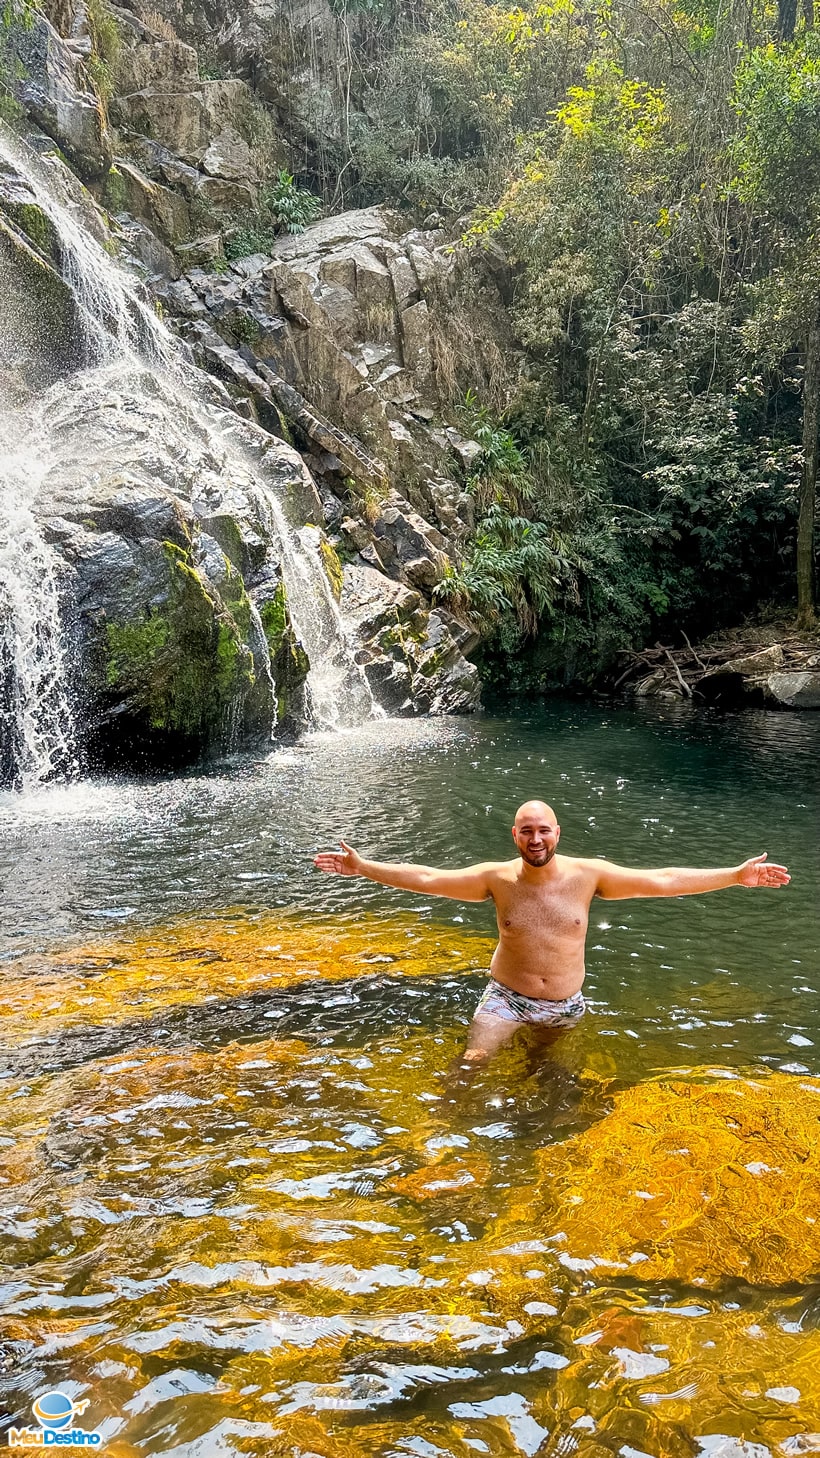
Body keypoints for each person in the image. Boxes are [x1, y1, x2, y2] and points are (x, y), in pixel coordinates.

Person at [313, 799, 790, 1064]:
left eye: (543, 830)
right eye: (526, 831)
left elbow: (662, 880)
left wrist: (733, 874)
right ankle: (444, 1140)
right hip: (507, 997)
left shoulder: (590, 876)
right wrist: (364, 868)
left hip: (565, 1003)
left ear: (557, 833)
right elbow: (428, 878)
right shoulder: (494, 879)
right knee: (472, 1066)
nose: (535, 839)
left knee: (549, 1075)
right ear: (515, 836)